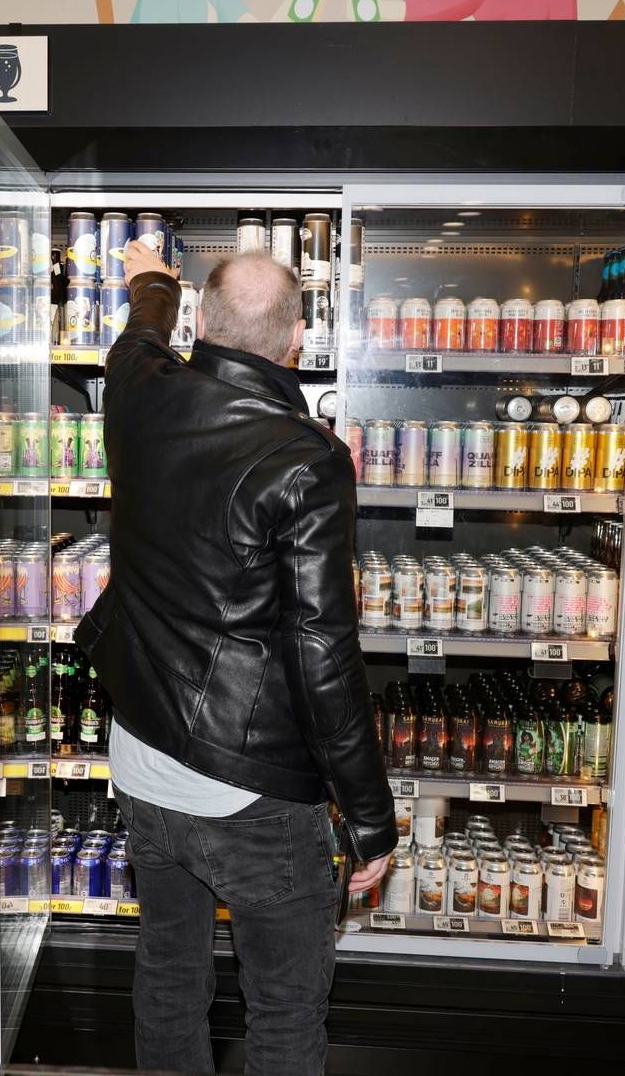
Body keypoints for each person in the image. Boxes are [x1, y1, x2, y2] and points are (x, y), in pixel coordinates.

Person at [75, 239, 395, 1076]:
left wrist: (152, 280)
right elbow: (323, 651)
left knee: (168, 977)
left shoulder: (138, 395)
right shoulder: (308, 457)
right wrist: (369, 820)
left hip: (141, 758)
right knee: (284, 1009)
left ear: (203, 325)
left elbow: (135, 340)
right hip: (249, 790)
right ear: (296, 341)